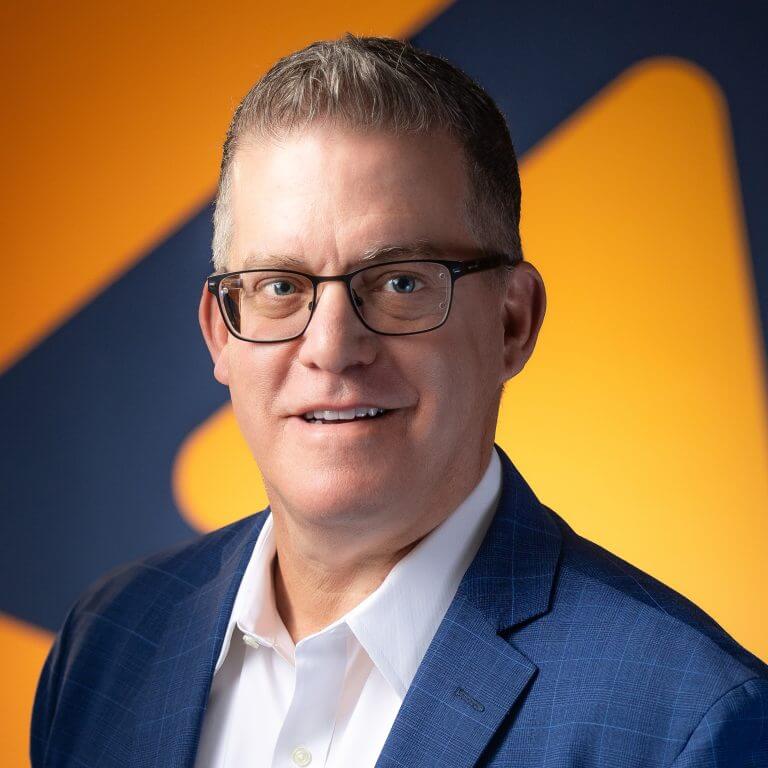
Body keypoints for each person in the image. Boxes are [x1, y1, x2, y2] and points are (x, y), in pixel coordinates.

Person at [31, 34, 767, 768]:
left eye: (401, 282)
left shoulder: (687, 724)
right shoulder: (108, 644)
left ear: (512, 322)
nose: (331, 347)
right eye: (280, 286)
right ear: (221, 333)